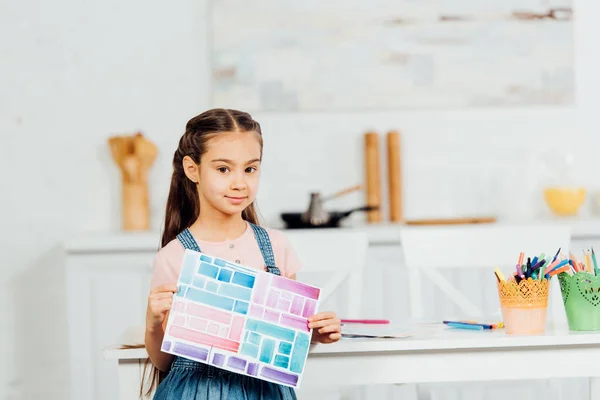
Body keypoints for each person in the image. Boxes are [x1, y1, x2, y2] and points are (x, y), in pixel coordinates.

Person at [145, 108, 342, 399]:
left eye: (250, 169)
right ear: (193, 170)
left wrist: (312, 334)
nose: (240, 183)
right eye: (223, 169)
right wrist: (152, 324)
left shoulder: (277, 248)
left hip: (269, 392)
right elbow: (165, 362)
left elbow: (281, 348)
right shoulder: (174, 256)